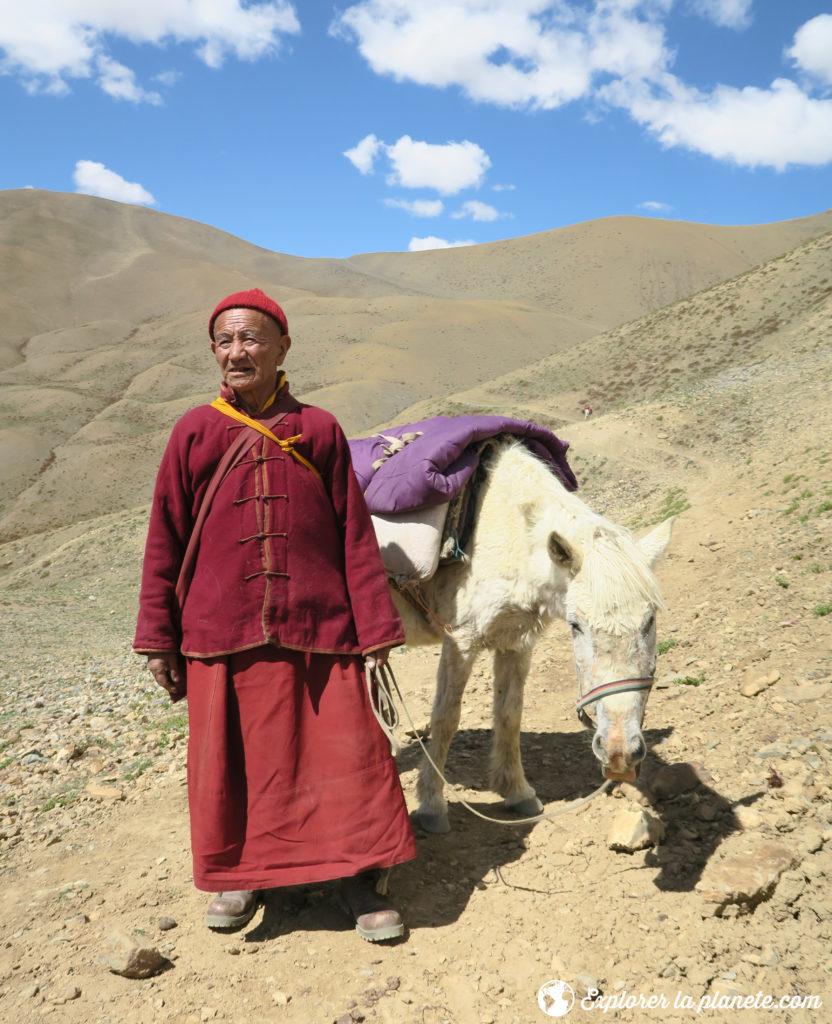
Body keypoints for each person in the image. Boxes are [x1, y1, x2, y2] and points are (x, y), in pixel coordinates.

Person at [133, 288, 416, 942]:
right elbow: (164, 537)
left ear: (282, 347)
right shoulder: (193, 432)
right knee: (231, 767)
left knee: (341, 761)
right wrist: (157, 638)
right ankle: (240, 872)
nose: (237, 352)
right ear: (213, 351)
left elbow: (353, 533)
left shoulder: (318, 429)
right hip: (218, 635)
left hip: (320, 630)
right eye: (226, 341)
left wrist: (374, 629)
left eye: (251, 339)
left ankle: (352, 875)